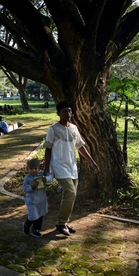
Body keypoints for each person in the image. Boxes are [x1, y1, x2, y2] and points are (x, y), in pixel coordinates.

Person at [44, 101, 99, 236]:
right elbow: (48, 149)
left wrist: (92, 162)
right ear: (58, 113)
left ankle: (65, 222)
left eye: (69, 111)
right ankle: (60, 223)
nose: (68, 114)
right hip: (58, 165)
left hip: (72, 166)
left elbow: (80, 146)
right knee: (70, 192)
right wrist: (46, 168)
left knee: (70, 195)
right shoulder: (53, 129)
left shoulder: (74, 128)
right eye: (64, 111)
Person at [22, 158, 52, 238]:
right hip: (31, 201)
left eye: (35, 168)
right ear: (27, 169)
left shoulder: (41, 176)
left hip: (41, 200)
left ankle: (36, 230)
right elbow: (24, 188)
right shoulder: (27, 178)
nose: (33, 170)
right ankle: (26, 225)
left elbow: (50, 176)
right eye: (31, 169)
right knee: (33, 216)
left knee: (40, 214)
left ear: (38, 168)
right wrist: (31, 186)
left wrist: (46, 179)